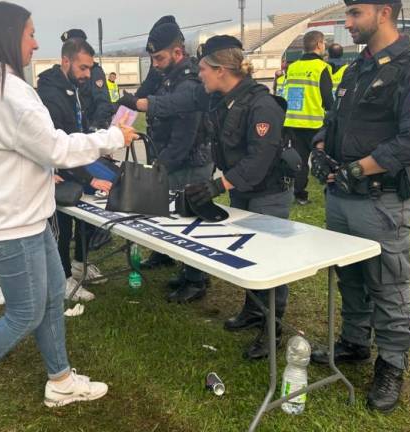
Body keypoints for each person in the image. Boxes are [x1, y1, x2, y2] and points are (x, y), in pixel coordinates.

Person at [0, 3, 137, 429]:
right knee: (24, 313)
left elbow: (7, 151)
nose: (37, 43)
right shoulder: (7, 90)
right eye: (30, 34)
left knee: (48, 300)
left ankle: (60, 380)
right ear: (9, 36)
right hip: (10, 221)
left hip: (23, 212)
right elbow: (56, 148)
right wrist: (114, 136)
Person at [126, 35, 295, 360]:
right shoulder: (220, 99)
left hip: (268, 193)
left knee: (270, 259)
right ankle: (253, 309)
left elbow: (258, 162)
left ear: (221, 70)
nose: (198, 73)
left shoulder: (262, 105)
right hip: (244, 191)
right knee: (251, 251)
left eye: (203, 68)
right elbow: (182, 103)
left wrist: (217, 186)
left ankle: (272, 328)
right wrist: (140, 103)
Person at [308, 0, 410, 413]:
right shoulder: (355, 68)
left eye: (355, 14)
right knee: (349, 274)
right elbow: (334, 120)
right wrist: (319, 147)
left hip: (380, 199)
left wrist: (358, 170)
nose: (347, 23)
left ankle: (393, 363)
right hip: (342, 197)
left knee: (388, 281)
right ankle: (354, 341)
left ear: (384, 12)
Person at [122, 15, 214, 303]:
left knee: (191, 222)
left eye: (160, 57)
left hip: (189, 162)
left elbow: (184, 136)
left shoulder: (188, 81)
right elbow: (147, 91)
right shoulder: (166, 75)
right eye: (153, 59)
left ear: (178, 52)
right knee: (173, 216)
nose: (156, 64)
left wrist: (161, 167)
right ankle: (176, 263)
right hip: (173, 159)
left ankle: (196, 279)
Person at [36, 33, 112, 301]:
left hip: (74, 165)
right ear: (65, 60)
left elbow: (76, 135)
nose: (87, 74)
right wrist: (88, 179)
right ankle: (64, 278)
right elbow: (60, 146)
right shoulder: (50, 94)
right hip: (56, 171)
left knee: (80, 219)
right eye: (83, 67)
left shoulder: (72, 88)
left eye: (90, 68)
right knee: (62, 227)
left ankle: (80, 264)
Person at [282, 30, 333, 205]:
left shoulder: (293, 66)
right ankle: (330, 190)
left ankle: (300, 195)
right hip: (315, 123)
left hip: (293, 121)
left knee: (300, 162)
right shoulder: (322, 67)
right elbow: (327, 97)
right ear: (319, 44)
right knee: (324, 159)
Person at [63, 29, 114, 130]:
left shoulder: (94, 71)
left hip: (90, 128)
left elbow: (103, 103)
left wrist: (94, 127)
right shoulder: (67, 74)